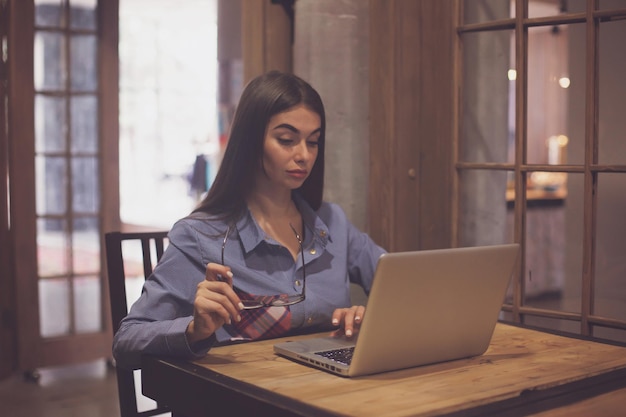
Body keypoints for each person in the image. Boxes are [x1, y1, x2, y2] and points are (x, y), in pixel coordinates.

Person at [112, 70, 386, 370]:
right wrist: (194, 330)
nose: (304, 155)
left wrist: (365, 322)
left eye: (314, 142)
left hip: (329, 395)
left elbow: (401, 286)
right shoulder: (201, 236)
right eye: (286, 140)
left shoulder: (332, 222)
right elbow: (127, 341)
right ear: (251, 141)